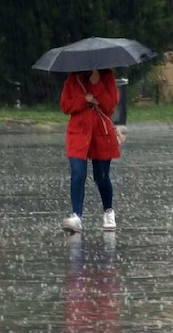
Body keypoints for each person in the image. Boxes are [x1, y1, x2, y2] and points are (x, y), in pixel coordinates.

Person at [60, 68, 120, 233]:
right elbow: (65, 106)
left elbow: (110, 105)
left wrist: (97, 84)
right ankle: (76, 215)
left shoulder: (107, 77)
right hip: (78, 134)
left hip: (101, 133)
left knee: (101, 177)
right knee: (78, 173)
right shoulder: (73, 79)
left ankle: (108, 211)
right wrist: (84, 99)